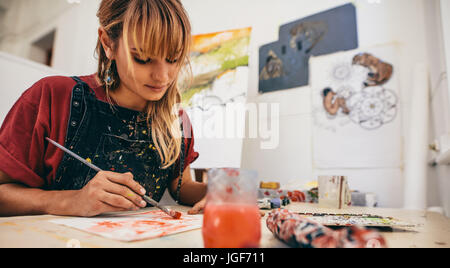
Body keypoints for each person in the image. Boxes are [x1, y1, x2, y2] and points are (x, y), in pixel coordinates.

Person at [0, 0, 207, 217]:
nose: (162, 77)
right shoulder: (52, 97)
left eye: (173, 58)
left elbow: (181, 186)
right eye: (143, 59)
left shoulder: (178, 118)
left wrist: (220, 191)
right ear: (108, 43)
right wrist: (68, 201)